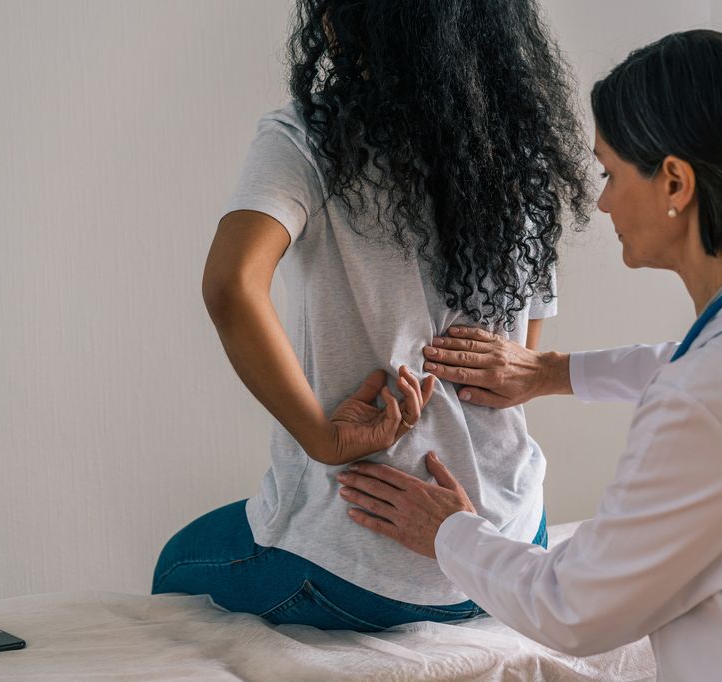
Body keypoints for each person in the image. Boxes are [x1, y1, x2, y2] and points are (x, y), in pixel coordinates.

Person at [336, 29, 722, 680]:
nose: (601, 200)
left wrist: (450, 529)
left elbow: (570, 608)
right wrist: (551, 372)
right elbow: (709, 366)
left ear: (675, 183)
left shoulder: (712, 396)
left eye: (609, 171)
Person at [151, 0, 592, 631]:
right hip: (513, 543)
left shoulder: (311, 137)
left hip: (367, 569)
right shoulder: (522, 149)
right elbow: (522, 351)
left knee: (175, 565)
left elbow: (231, 285)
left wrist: (322, 438)